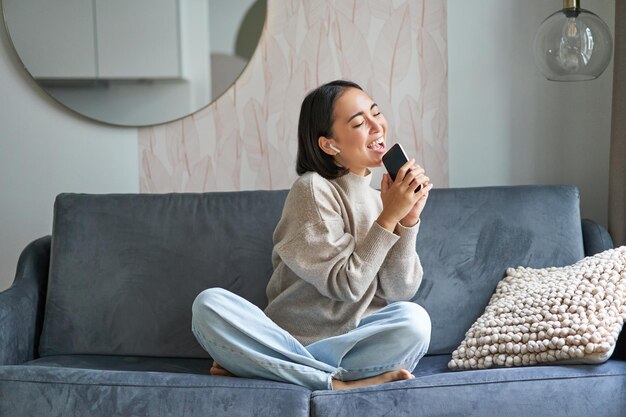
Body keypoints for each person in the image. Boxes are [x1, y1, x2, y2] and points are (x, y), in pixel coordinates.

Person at [191, 80, 433, 391]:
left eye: (376, 114)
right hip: (288, 341)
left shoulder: (382, 200)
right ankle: (336, 384)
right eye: (359, 122)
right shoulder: (312, 190)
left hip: (350, 345)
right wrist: (388, 218)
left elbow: (400, 290)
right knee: (208, 305)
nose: (376, 126)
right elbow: (346, 286)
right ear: (330, 144)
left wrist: (407, 220)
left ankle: (271, 369)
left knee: (415, 321)